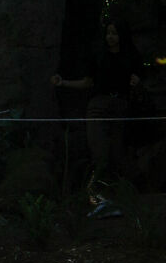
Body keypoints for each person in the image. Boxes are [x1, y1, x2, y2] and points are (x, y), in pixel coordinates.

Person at [54, 24, 146, 181]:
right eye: (108, 33)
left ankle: (121, 189)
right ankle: (97, 189)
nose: (110, 37)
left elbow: (140, 82)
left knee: (118, 152)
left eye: (114, 33)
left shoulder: (131, 56)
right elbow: (87, 82)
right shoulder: (98, 55)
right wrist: (64, 83)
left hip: (121, 106)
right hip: (99, 105)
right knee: (99, 152)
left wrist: (138, 82)